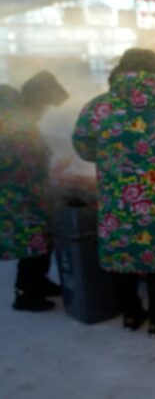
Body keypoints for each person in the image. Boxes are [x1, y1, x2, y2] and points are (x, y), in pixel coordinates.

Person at [72, 48, 155, 336]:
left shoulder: (98, 108)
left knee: (121, 252)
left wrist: (109, 159)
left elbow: (82, 146)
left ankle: (130, 314)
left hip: (116, 198)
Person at [1, 71, 69, 311]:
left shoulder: (18, 116)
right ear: (37, 99)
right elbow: (25, 160)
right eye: (46, 105)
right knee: (30, 240)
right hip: (16, 193)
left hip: (26, 189)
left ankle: (38, 282)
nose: (46, 111)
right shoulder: (14, 122)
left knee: (38, 238)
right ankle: (25, 293)